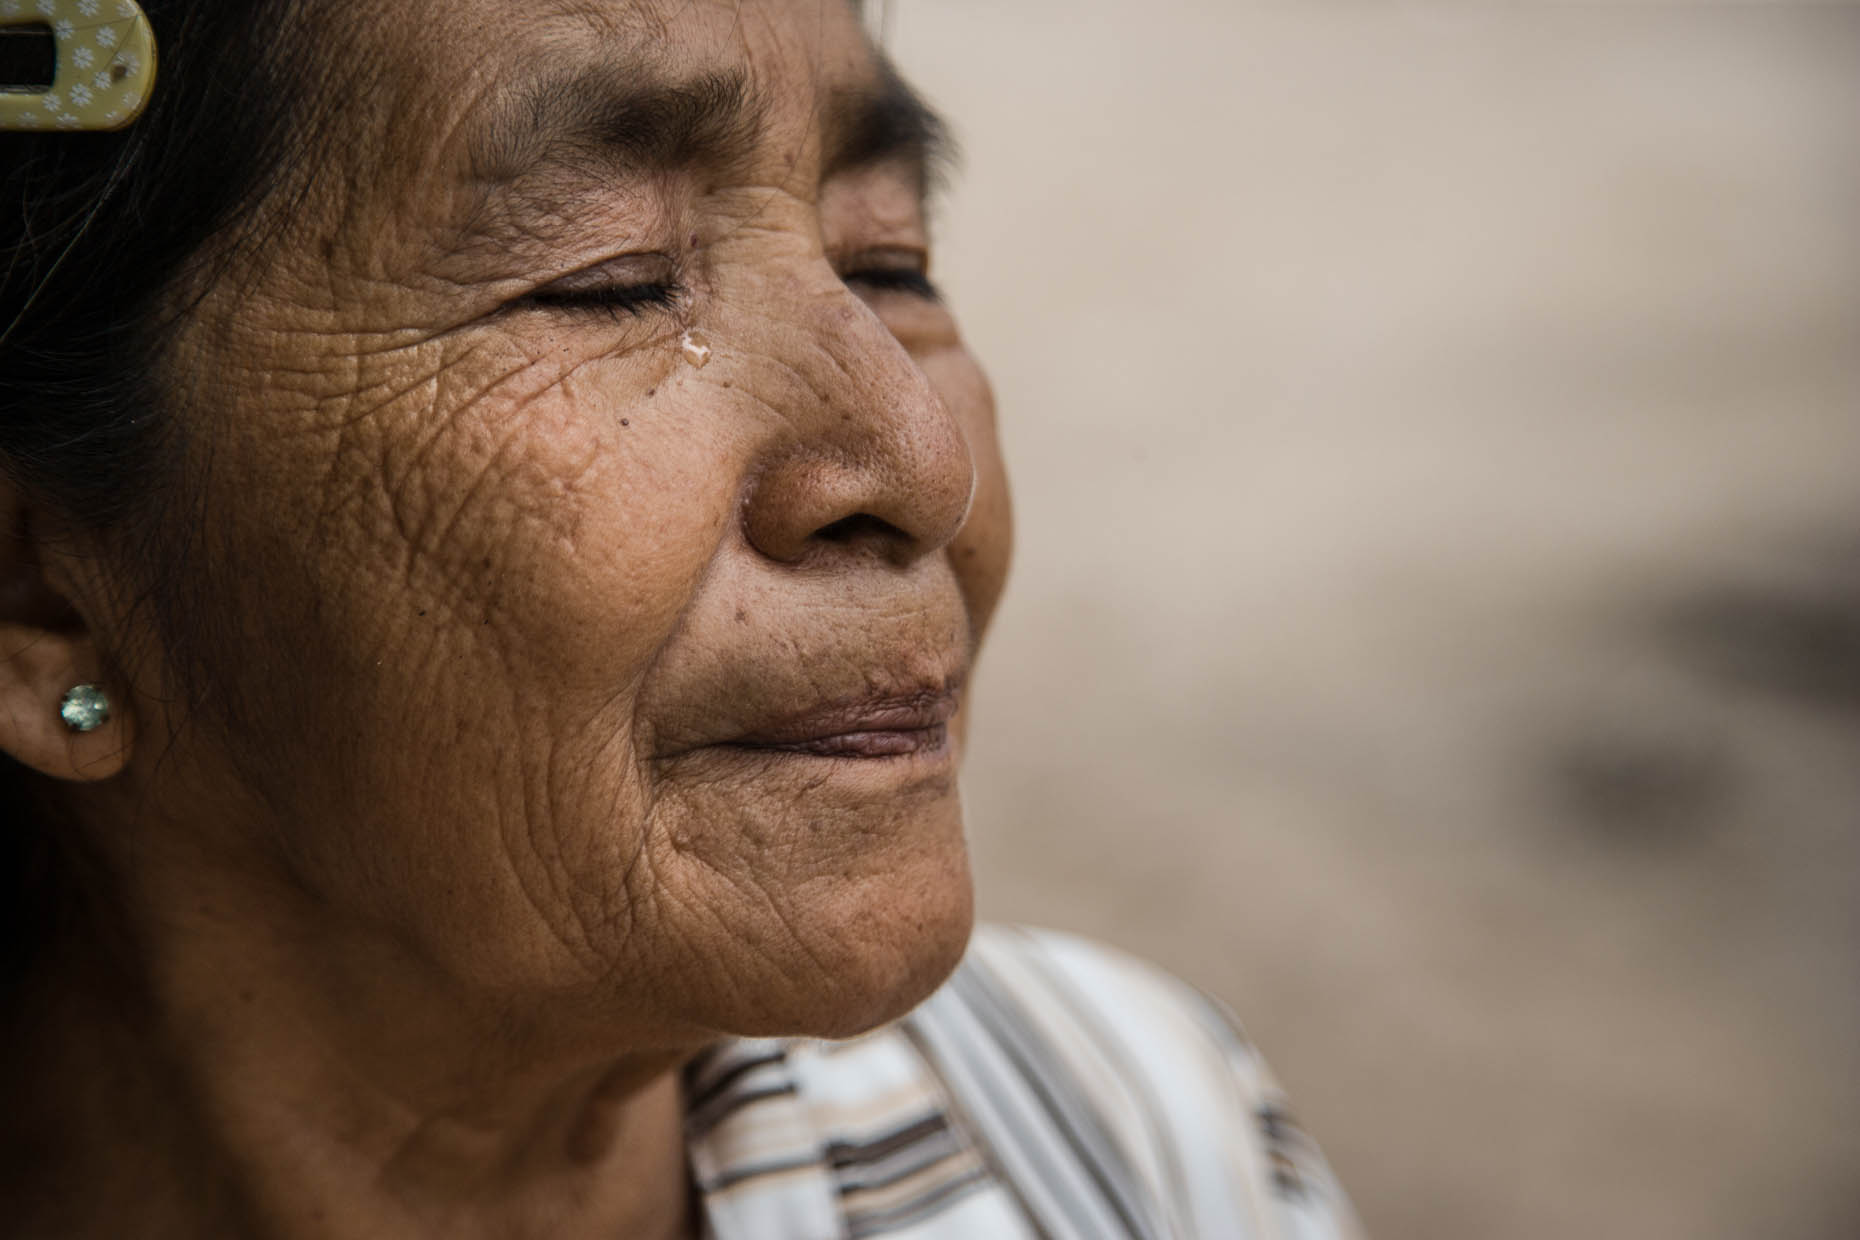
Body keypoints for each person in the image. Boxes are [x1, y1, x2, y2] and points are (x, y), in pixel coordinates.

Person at [0, 2, 1362, 1236]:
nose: (921, 463)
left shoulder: (1128, 1138)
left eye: (887, 261)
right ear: (42, 596)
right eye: (613, 278)